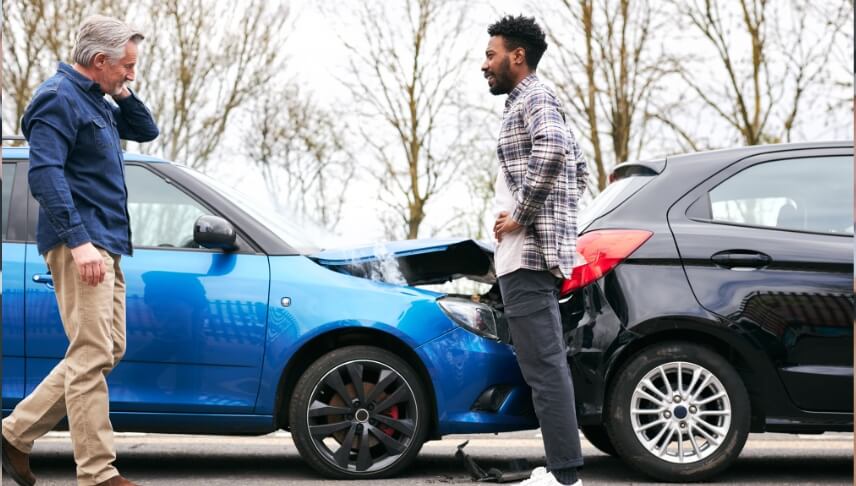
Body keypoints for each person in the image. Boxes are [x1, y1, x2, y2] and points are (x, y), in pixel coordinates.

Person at [1, 14, 159, 486]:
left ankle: (14, 432)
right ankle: (97, 473)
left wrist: (121, 90)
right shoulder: (56, 99)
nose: (131, 73)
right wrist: (79, 243)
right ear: (96, 60)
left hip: (106, 240)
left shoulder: (100, 101)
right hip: (82, 242)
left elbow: (146, 130)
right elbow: (44, 175)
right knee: (91, 352)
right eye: (125, 66)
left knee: (108, 347)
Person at [482, 14, 588, 486]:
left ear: (516, 56)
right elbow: (578, 166)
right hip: (528, 254)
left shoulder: (535, 96)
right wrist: (555, 222)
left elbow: (554, 153)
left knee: (544, 370)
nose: (484, 64)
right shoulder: (529, 102)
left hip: (526, 257)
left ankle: (565, 477)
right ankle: (562, 471)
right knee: (544, 368)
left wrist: (523, 217)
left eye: (491, 54)